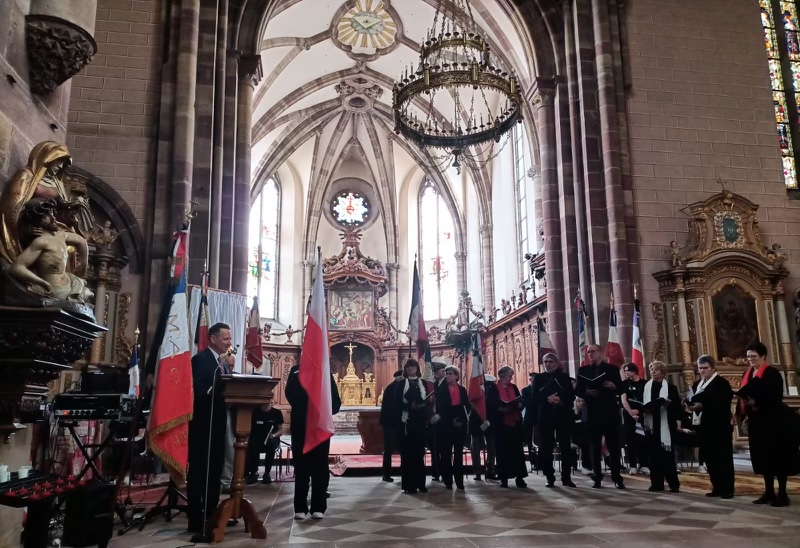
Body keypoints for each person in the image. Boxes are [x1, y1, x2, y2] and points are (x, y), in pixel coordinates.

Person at [187, 323, 233, 538]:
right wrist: (217, 385)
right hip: (203, 426)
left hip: (219, 424)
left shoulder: (222, 363)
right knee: (200, 472)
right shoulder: (201, 360)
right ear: (213, 339)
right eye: (225, 339)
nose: (229, 343)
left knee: (215, 471)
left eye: (230, 339)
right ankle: (197, 520)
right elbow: (198, 392)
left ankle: (213, 515)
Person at [737, 341, 796, 507]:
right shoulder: (747, 374)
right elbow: (742, 395)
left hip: (774, 421)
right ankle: (769, 491)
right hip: (757, 422)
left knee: (778, 457)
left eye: (754, 356)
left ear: (763, 356)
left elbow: (776, 397)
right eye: (748, 356)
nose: (750, 359)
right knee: (763, 457)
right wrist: (738, 413)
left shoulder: (772, 373)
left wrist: (757, 401)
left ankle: (782, 494)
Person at [285, 362, 341, 519]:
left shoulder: (325, 371)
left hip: (319, 426)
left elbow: (335, 402)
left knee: (320, 467)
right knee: (301, 466)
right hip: (301, 426)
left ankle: (318, 507)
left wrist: (322, 406)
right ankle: (300, 508)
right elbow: (290, 395)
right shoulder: (295, 371)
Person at [575, 344, 625, 489]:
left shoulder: (612, 369)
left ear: (601, 353)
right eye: (588, 352)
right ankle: (597, 477)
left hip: (609, 412)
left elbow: (621, 388)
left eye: (593, 351)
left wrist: (614, 387)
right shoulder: (583, 370)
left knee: (614, 447)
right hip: (592, 413)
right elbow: (578, 390)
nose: (590, 354)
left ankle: (617, 477)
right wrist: (587, 393)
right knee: (594, 447)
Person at [685, 355, 734, 498]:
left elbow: (723, 403)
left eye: (705, 368)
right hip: (704, 426)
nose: (702, 371)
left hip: (720, 426)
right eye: (700, 368)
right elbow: (691, 398)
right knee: (710, 458)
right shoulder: (697, 384)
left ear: (712, 368)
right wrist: (689, 403)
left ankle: (727, 489)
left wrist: (703, 406)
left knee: (723, 457)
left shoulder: (721, 383)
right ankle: (716, 487)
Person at [532, 353, 576, 487]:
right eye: (545, 361)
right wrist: (547, 399)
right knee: (546, 448)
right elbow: (534, 397)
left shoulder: (564, 377)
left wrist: (560, 401)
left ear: (556, 364)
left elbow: (571, 396)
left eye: (550, 361)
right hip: (546, 416)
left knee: (565, 448)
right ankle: (549, 477)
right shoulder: (538, 378)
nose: (548, 364)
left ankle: (566, 477)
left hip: (563, 416)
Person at [636, 361, 680, 493]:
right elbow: (639, 403)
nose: (653, 372)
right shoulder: (645, 387)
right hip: (650, 425)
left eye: (656, 370)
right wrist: (641, 409)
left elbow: (677, 407)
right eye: (651, 370)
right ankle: (657, 483)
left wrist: (669, 403)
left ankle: (673, 484)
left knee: (667, 456)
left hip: (665, 424)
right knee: (653, 455)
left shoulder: (671, 388)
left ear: (663, 372)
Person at [487, 365, 527, 488]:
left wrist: (519, 405)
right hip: (501, 425)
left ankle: (519, 478)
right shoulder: (494, 388)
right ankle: (504, 478)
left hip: (514, 423)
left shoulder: (513, 387)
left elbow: (521, 401)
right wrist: (503, 408)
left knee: (517, 452)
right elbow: (491, 405)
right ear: (503, 376)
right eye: (510, 375)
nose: (511, 378)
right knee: (502, 452)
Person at [434, 365, 470, 490]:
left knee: (458, 454)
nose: (448, 376)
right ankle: (448, 481)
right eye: (447, 373)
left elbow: (466, 407)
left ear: (456, 376)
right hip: (446, 425)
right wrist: (452, 420)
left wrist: (461, 421)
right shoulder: (442, 389)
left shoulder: (462, 389)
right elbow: (441, 408)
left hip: (460, 425)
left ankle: (459, 481)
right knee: (446, 454)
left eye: (450, 374)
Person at [397, 359, 429, 494]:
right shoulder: (402, 383)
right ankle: (409, 485)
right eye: (408, 367)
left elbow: (427, 400)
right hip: (407, 422)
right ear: (405, 369)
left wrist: (424, 404)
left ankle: (421, 483)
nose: (410, 369)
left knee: (419, 454)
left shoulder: (423, 383)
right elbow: (397, 402)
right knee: (408, 455)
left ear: (417, 368)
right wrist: (410, 406)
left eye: (413, 366)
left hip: (420, 422)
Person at [246, 403, 284, 485]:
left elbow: (280, 431)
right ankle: (253, 472)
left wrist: (273, 435)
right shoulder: (254, 412)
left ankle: (267, 473)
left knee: (271, 445)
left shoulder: (276, 413)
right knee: (252, 444)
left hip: (271, 438)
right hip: (257, 438)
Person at [620, 363, 647, 474]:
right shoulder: (624, 384)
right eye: (625, 371)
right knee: (630, 440)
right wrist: (631, 412)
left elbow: (647, 399)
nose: (626, 372)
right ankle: (632, 465)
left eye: (628, 370)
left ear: (634, 371)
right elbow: (623, 400)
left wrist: (639, 411)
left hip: (641, 414)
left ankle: (644, 464)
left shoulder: (645, 383)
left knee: (642, 439)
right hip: (629, 415)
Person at [469, 374, 497, 481]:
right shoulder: (474, 389)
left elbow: (494, 404)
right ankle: (477, 471)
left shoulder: (494, 390)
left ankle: (490, 470)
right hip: (476, 420)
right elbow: (470, 402)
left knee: (491, 448)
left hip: (490, 420)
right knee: (475, 448)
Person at [379, 370, 404, 482]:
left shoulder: (394, 387)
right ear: (399, 378)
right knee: (389, 449)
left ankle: (393, 473)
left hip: (394, 422)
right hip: (391, 423)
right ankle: (387, 474)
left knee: (396, 449)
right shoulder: (393, 388)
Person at [428, 361, 447, 481]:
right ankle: (436, 472)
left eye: (436, 371)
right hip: (432, 420)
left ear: (443, 372)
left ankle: (445, 473)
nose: (434, 373)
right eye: (433, 371)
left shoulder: (448, 384)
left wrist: (440, 415)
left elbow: (449, 404)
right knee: (434, 448)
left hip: (444, 421)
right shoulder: (433, 385)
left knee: (444, 450)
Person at [521, 372, 537, 471]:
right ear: (530, 380)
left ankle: (542, 462)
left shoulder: (540, 389)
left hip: (540, 418)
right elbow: (528, 403)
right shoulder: (525, 390)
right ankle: (533, 462)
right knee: (531, 442)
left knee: (541, 441)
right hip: (530, 418)